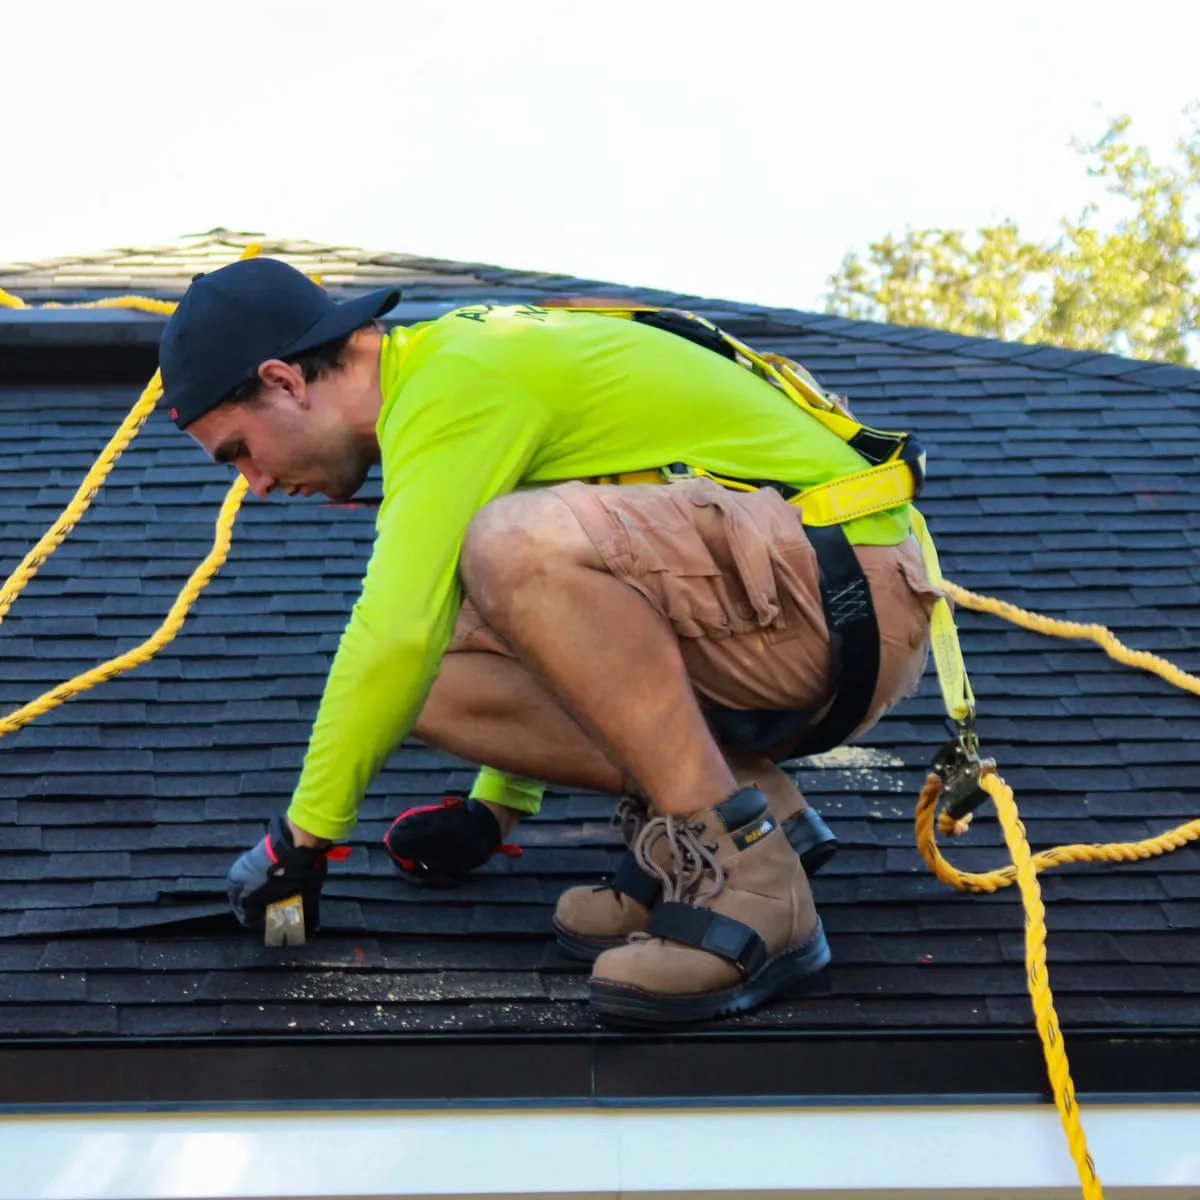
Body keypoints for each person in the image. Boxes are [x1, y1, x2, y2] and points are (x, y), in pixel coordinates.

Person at [158, 257, 940, 1024]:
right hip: (789, 597)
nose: (254, 485)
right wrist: (494, 809)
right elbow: (525, 623)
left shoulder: (456, 378)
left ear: (284, 381)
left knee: (490, 557)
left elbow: (395, 629)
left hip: (839, 588)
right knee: (433, 659)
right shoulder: (454, 372)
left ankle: (758, 885)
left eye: (239, 451)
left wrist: (299, 842)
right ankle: (740, 810)